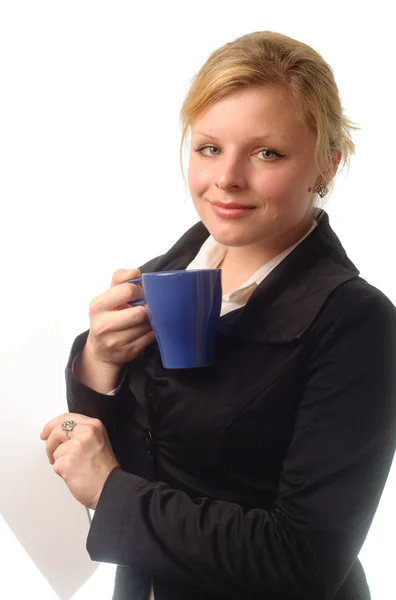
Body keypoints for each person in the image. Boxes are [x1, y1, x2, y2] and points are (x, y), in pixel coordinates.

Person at [40, 31, 396, 600]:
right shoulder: (162, 275)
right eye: (209, 148)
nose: (226, 178)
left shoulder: (357, 323)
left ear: (327, 165)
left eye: (267, 153)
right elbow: (129, 448)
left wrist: (111, 492)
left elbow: (304, 560)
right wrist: (97, 361)